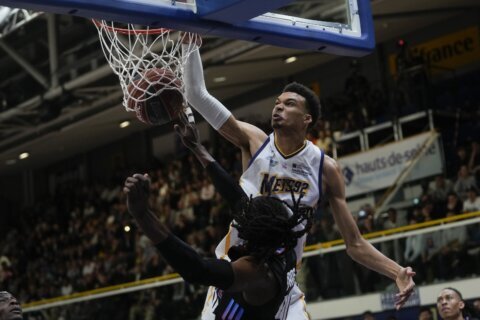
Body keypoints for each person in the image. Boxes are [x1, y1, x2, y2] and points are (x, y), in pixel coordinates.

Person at [181, 38, 415, 318]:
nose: (278, 108)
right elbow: (196, 94)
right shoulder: (254, 141)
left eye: (289, 104)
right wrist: (188, 40)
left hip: (282, 278)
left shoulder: (325, 168)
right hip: (236, 270)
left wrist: (397, 271)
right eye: (277, 103)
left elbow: (354, 244)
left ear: (307, 119)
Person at [124, 115, 313, 319]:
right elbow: (235, 197)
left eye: (248, 216)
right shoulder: (280, 245)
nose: (244, 212)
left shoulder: (257, 273)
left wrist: (142, 215)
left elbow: (196, 269)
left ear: (255, 231)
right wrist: (197, 147)